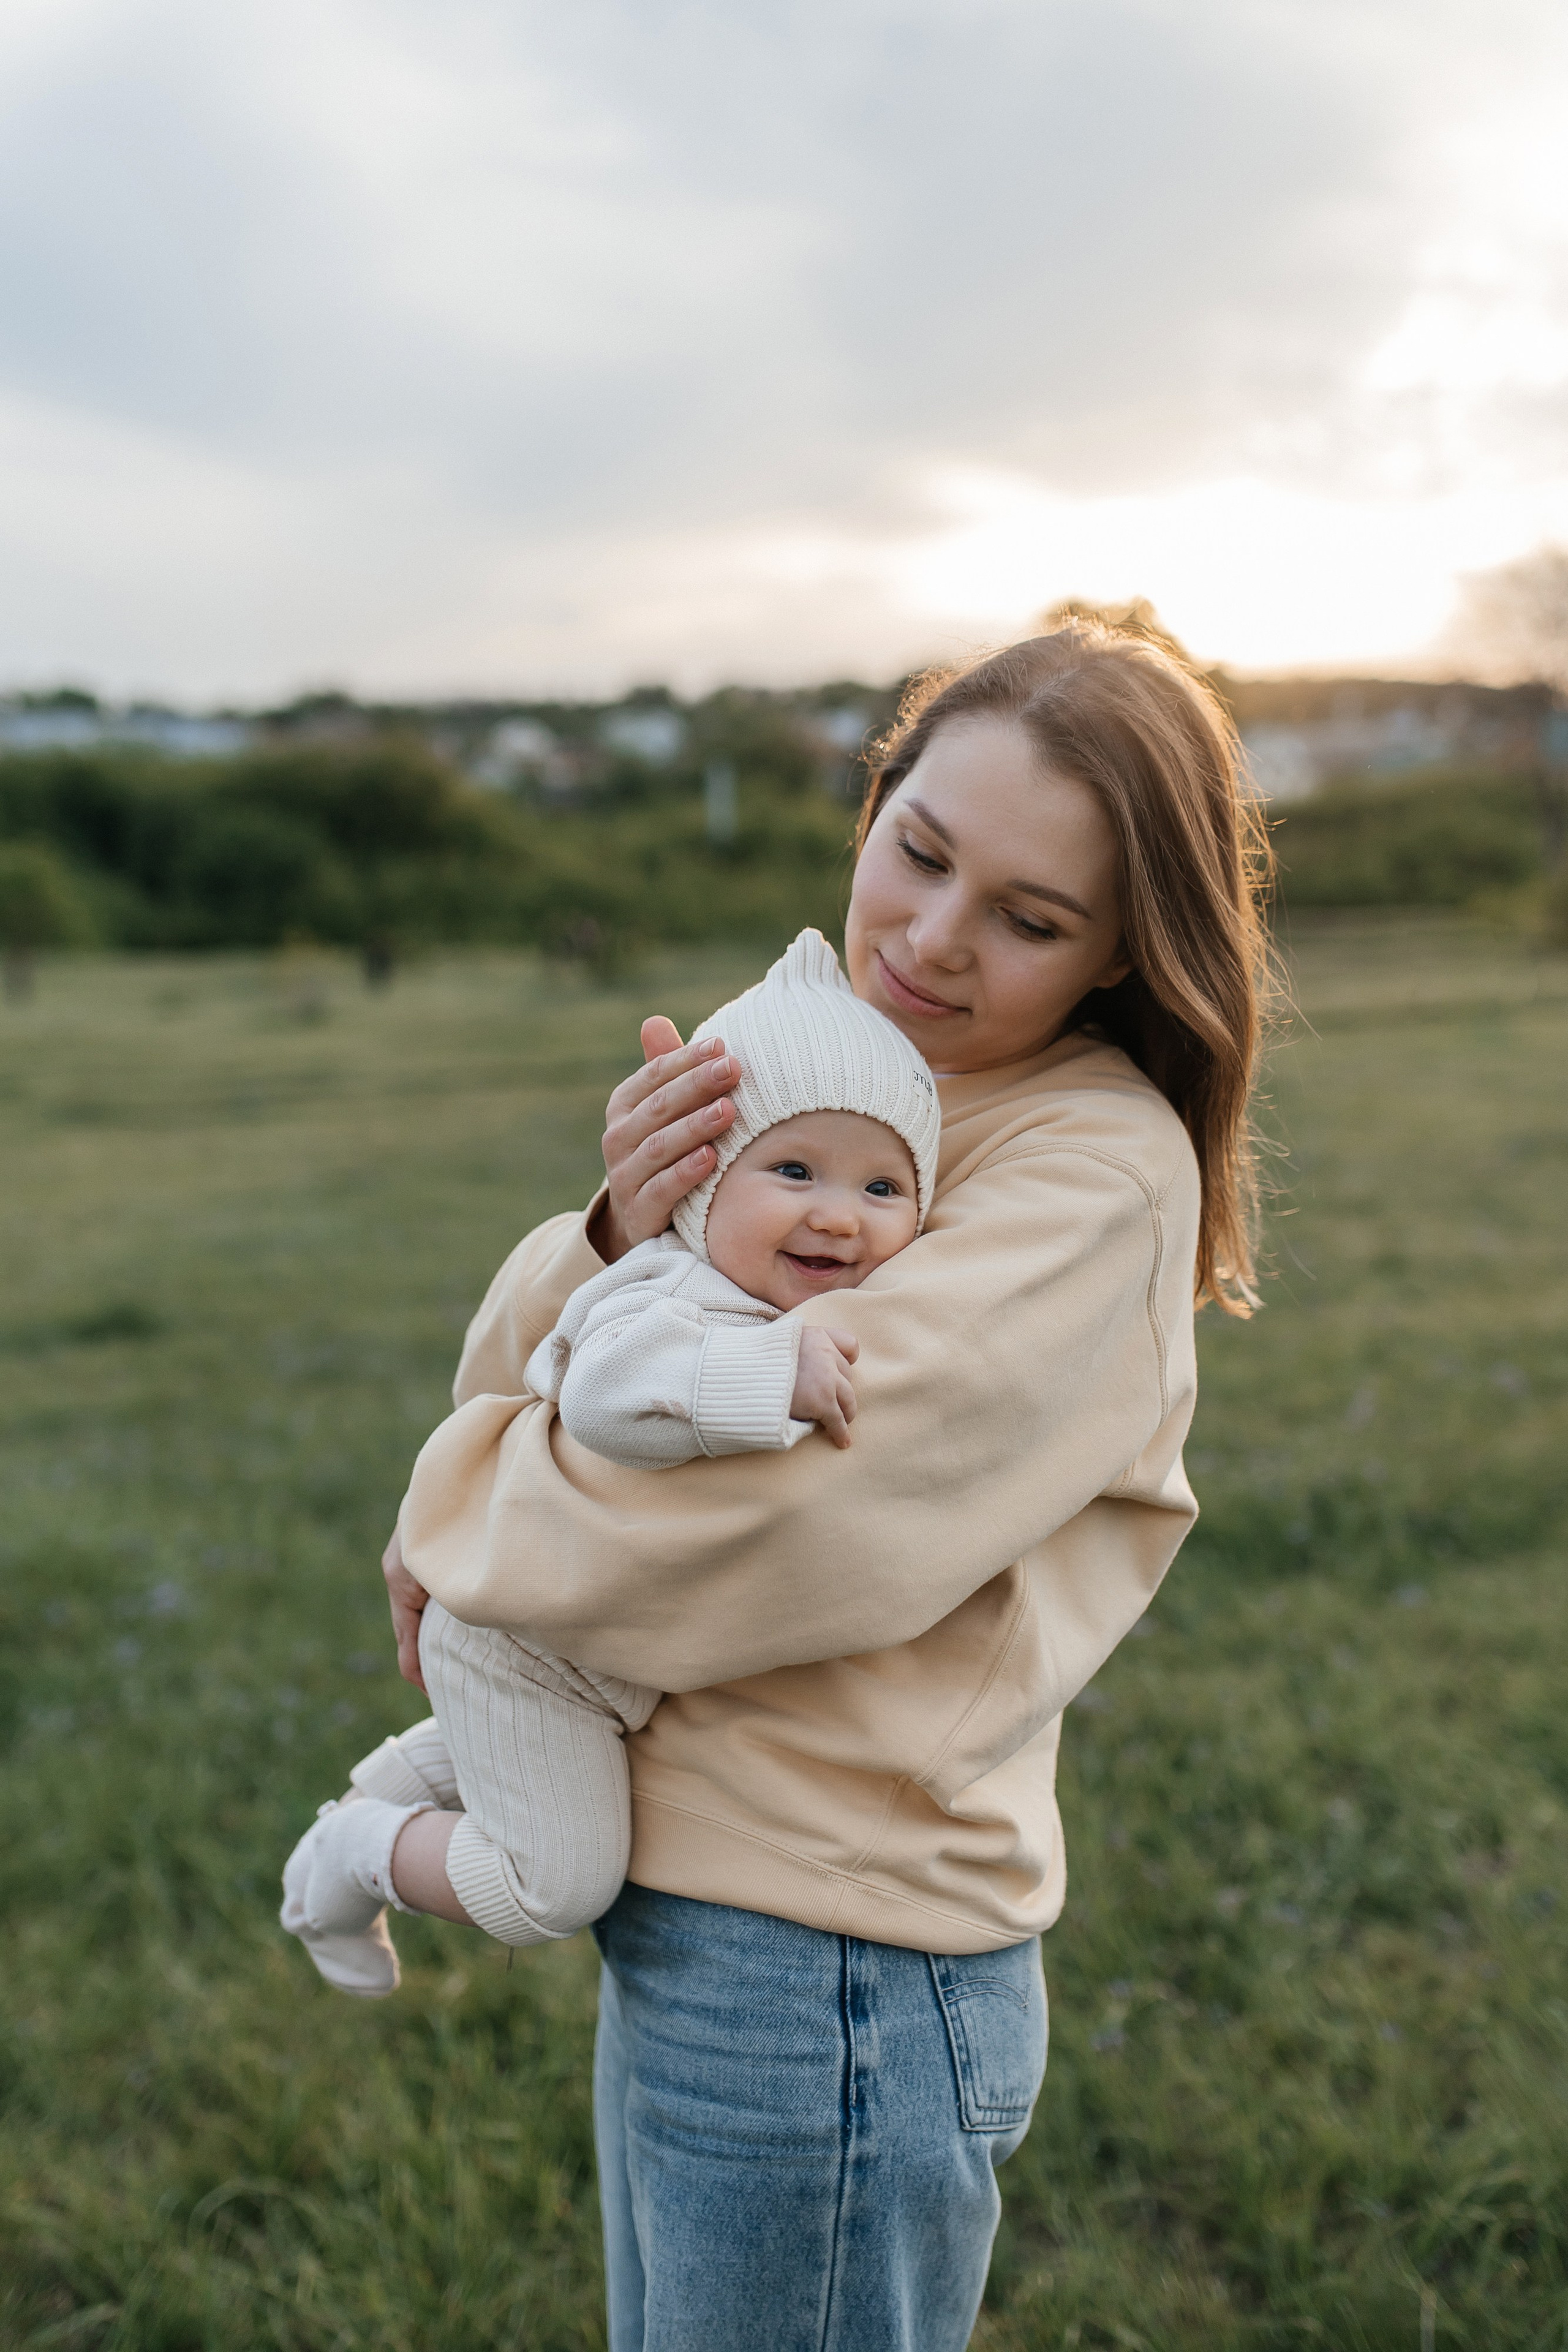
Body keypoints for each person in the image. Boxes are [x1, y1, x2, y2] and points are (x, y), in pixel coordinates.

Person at [384, 625, 1272, 2352]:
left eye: (1028, 919)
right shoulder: (829, 1079)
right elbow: (542, 1374)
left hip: (835, 1963)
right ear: (873, 810)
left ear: (1118, 952)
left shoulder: (1090, 1170)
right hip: (694, 1904)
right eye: (918, 852)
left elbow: (781, 1521)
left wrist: (452, 1524)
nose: (931, 938)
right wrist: (612, 1227)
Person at [279, 931, 940, 1996]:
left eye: (882, 1188)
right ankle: (354, 1857)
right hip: (530, 1642)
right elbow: (604, 1397)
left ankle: (356, 1819)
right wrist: (769, 1376)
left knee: (490, 1756)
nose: (836, 1214)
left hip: (581, 1652)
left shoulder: (761, 1295)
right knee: (553, 1886)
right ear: (703, 1184)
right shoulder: (674, 1291)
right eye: (793, 1170)